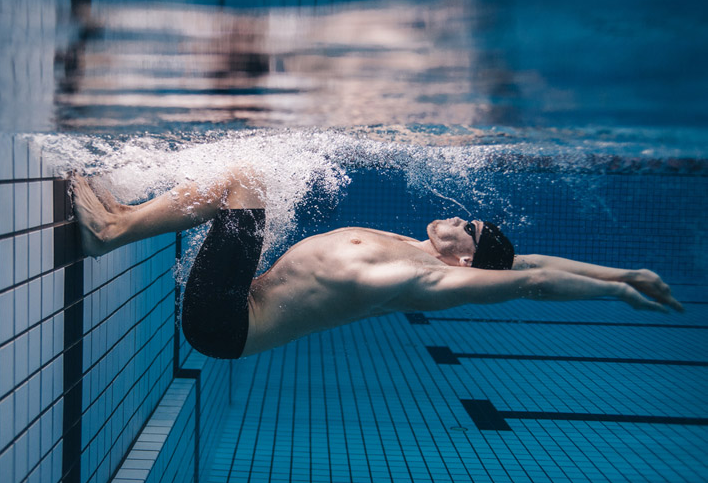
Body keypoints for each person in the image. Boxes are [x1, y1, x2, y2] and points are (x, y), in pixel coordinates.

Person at [71, 167, 683, 360]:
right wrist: (623, 274)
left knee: (244, 183)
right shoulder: (418, 246)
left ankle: (111, 230)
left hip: (225, 323)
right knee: (245, 182)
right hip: (241, 299)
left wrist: (614, 299)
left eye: (467, 227)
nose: (460, 216)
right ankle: (124, 213)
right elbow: (537, 259)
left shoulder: (425, 275)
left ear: (464, 258)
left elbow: (534, 282)